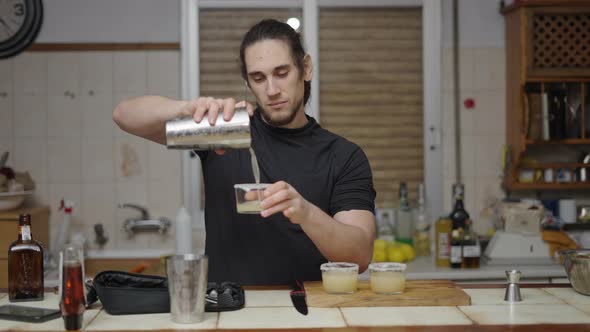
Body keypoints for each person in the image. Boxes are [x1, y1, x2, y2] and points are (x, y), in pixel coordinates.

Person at [113, 19, 376, 285]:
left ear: (305, 68)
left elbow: (360, 255)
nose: (271, 90)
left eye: (282, 73)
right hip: (227, 312)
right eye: (258, 78)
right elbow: (124, 116)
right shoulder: (226, 131)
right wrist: (188, 109)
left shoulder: (343, 156)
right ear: (248, 82)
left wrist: (306, 212)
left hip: (306, 313)